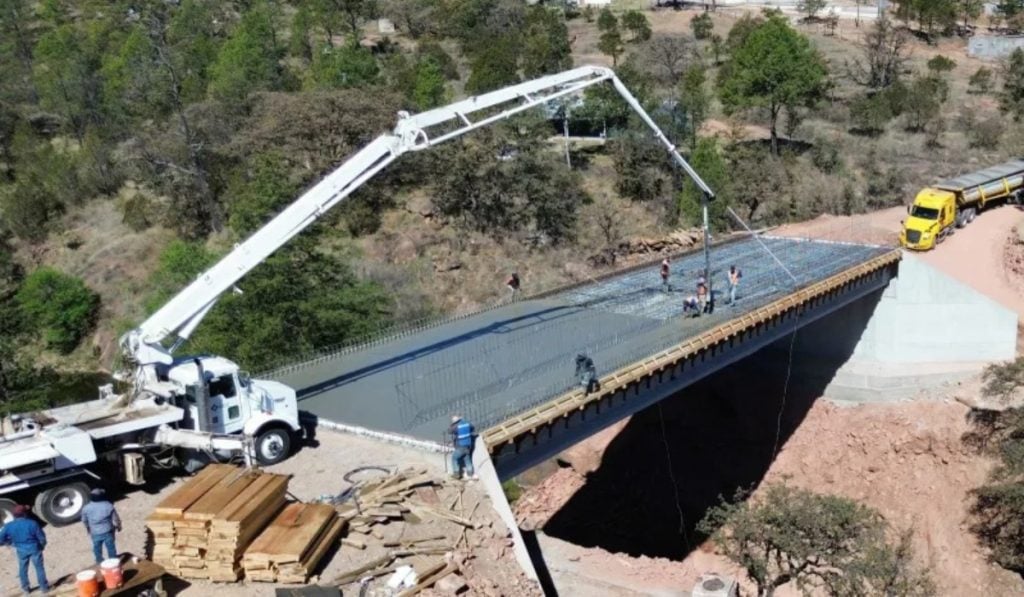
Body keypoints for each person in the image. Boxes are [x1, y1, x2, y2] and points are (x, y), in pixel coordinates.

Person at [0, 505, 50, 594]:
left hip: (20, 548)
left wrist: (10, 543)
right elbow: (42, 537)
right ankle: (44, 588)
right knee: (39, 568)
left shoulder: (8, 526)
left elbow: (1, 540)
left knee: (23, 569)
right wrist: (42, 546)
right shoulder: (32, 523)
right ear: (24, 514)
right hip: (34, 547)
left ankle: (26, 589)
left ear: (14, 515)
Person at [81, 488, 122, 564]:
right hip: (108, 531)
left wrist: (88, 528)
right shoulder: (109, 505)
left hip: (95, 532)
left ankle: (99, 561)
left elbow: (84, 520)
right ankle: (113, 562)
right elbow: (116, 519)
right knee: (111, 547)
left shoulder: (86, 508)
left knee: (97, 547)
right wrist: (119, 526)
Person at [449, 415, 477, 480]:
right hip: (468, 445)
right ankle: (470, 473)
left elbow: (449, 431)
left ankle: (456, 474)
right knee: (467, 458)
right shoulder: (467, 423)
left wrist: (452, 424)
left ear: (455, 422)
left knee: (454, 458)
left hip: (461, 446)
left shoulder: (455, 426)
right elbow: (473, 428)